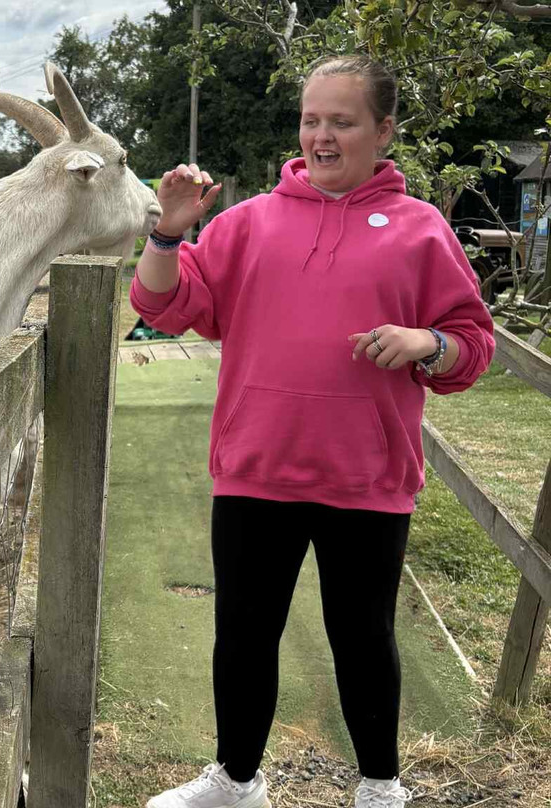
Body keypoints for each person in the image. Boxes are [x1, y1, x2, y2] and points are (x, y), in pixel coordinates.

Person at [131, 54, 495, 808]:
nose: (322, 136)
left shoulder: (421, 229)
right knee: (243, 636)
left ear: (383, 130)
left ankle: (380, 787)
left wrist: (427, 342)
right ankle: (236, 781)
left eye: (343, 121)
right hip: (256, 468)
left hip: (367, 477)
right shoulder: (248, 223)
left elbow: (471, 344)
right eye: (312, 119)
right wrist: (168, 235)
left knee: (363, 640)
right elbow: (165, 307)